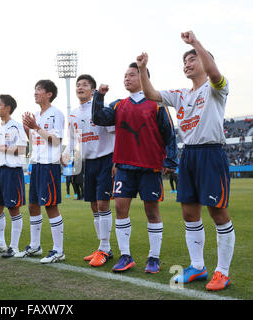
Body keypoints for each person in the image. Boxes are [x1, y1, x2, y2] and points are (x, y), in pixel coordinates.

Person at [137, 30, 235, 291]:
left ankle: (222, 272)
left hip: (211, 153)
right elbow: (151, 95)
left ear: (204, 61)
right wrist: (143, 69)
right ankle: (198, 266)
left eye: (193, 59)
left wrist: (196, 43)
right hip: (188, 155)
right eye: (185, 61)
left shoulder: (216, 87)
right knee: (189, 213)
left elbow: (215, 74)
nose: (187, 64)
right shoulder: (181, 94)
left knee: (218, 212)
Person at [92, 62, 178, 273]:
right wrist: (99, 97)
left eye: (131, 75)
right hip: (124, 167)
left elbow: (170, 133)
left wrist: (170, 160)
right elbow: (98, 118)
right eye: (125, 75)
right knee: (121, 209)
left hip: (150, 167)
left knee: (152, 212)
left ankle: (154, 258)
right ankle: (125, 256)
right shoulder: (119, 104)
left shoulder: (157, 104)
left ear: (143, 78)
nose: (126, 78)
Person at [63, 74, 115, 267]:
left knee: (103, 204)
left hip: (105, 160)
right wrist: (67, 154)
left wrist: (116, 161)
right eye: (78, 85)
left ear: (93, 91)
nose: (80, 87)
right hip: (88, 162)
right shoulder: (74, 113)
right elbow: (72, 138)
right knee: (94, 205)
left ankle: (105, 248)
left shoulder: (102, 110)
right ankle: (102, 246)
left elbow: (114, 134)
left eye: (84, 85)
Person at [17, 79, 66, 264]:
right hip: (36, 164)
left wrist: (36, 127)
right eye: (35, 89)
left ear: (49, 94)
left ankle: (59, 250)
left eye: (39, 89)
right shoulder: (36, 114)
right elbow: (34, 139)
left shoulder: (56, 114)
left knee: (51, 206)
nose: (35, 92)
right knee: (33, 205)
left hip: (49, 165)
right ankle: (35, 246)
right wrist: (27, 128)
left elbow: (55, 141)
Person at [0, 94, 28, 258]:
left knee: (13, 208)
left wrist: (0, 147)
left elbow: (22, 149)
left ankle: (14, 247)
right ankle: (1, 244)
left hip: (13, 171)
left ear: (7, 108)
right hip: (0, 171)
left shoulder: (17, 126)